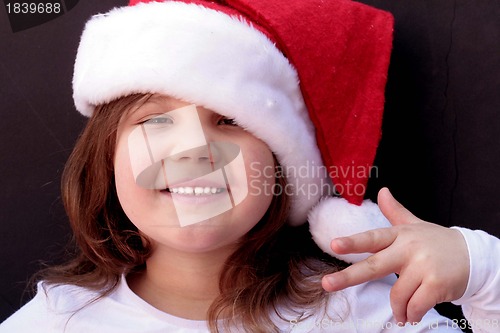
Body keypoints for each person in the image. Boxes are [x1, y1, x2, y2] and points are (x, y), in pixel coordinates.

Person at [0, 0, 498, 332]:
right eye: (154, 121)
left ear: (283, 166)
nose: (191, 152)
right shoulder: (56, 321)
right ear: (104, 160)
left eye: (229, 120)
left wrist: (482, 270)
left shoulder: (362, 311)